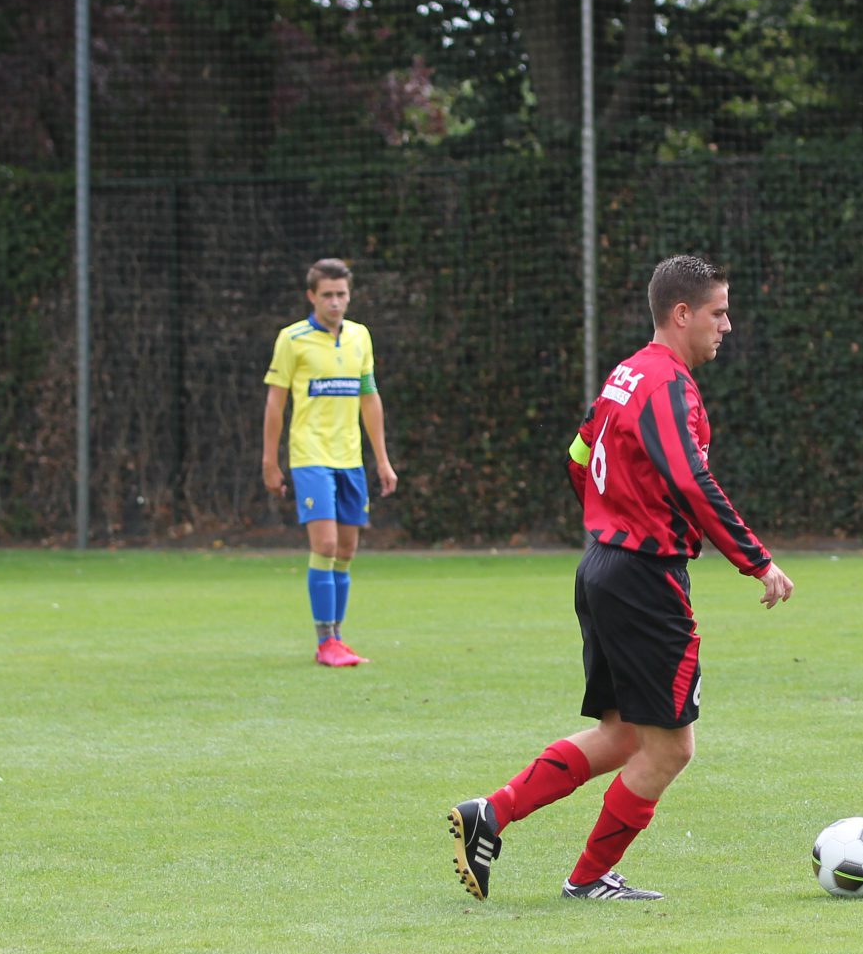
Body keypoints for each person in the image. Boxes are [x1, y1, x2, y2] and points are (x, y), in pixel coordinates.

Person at [448, 255, 793, 903]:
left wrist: (609, 515)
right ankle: (586, 879)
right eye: (718, 312)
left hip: (603, 567)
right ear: (682, 313)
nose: (727, 325)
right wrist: (757, 559)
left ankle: (490, 813)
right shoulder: (667, 385)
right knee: (671, 749)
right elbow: (690, 478)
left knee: (625, 734)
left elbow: (578, 454)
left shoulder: (626, 375)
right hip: (644, 579)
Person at [263, 259, 397, 666]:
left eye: (341, 294)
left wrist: (382, 460)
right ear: (312, 296)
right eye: (327, 295)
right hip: (310, 456)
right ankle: (325, 642)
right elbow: (275, 403)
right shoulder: (293, 339)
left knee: (347, 549)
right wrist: (270, 460)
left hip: (350, 458)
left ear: (349, 295)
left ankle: (337, 637)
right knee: (324, 544)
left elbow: (369, 399)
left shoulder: (360, 336)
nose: (335, 302)